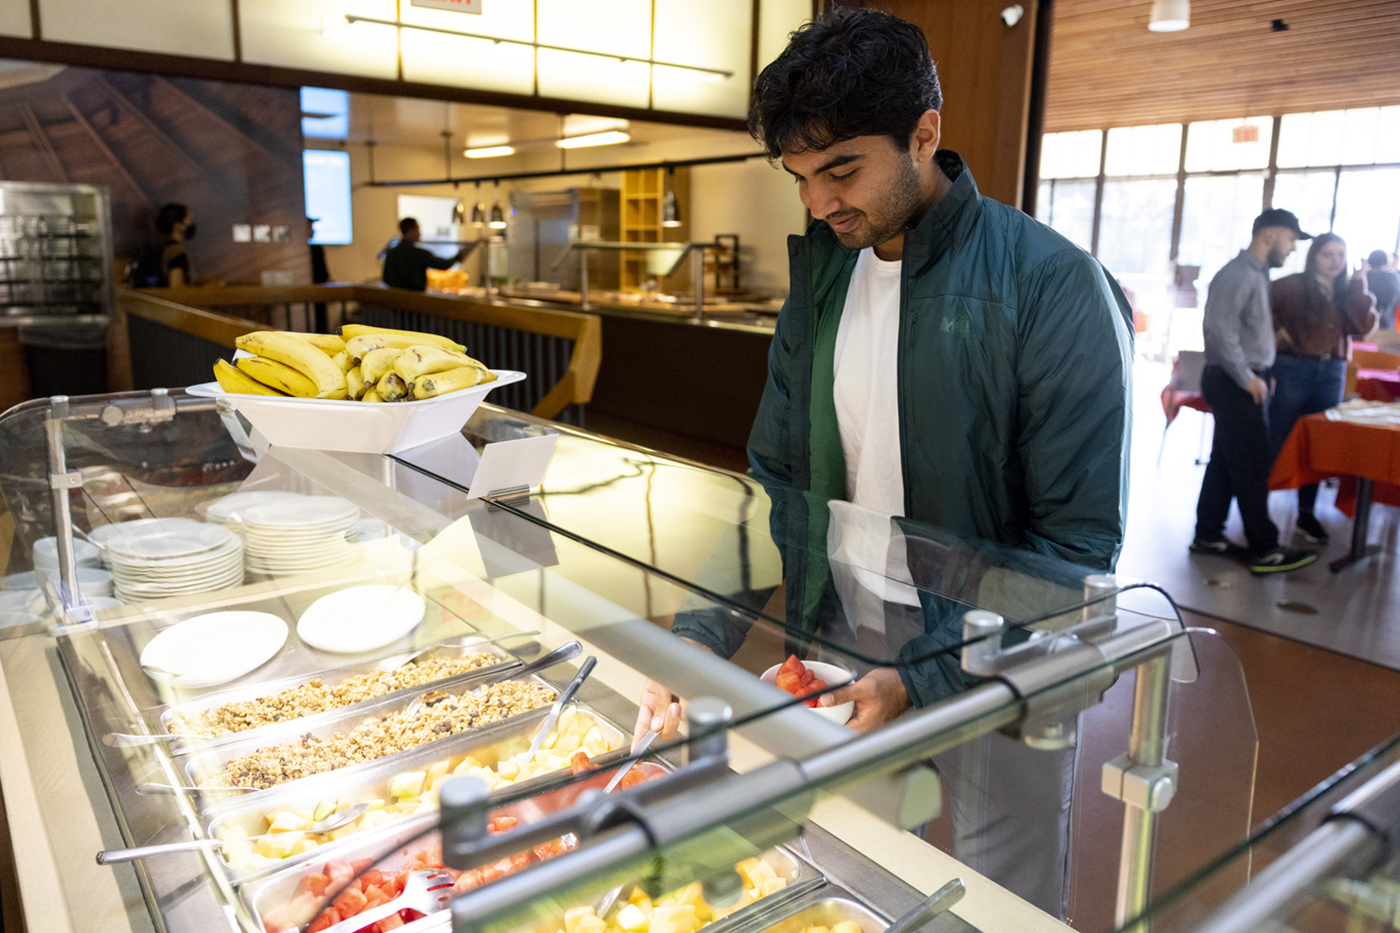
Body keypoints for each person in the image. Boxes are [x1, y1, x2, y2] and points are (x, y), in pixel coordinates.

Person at [637, 8, 1135, 917]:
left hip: (1000, 655)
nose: (819, 203)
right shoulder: (826, 274)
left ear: (925, 134)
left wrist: (924, 676)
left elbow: (1073, 548)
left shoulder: (1052, 285)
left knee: (999, 894)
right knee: (846, 872)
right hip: (846, 633)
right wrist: (694, 641)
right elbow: (775, 487)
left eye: (841, 169)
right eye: (799, 177)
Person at [1191, 208, 1318, 574]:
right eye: (1291, 239)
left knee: (1226, 462)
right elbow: (1219, 330)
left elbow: (1243, 331)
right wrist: (1247, 376)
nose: (1293, 248)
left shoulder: (1257, 274)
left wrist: (1262, 367)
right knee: (1251, 462)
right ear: (1269, 235)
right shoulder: (1238, 274)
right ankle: (1265, 548)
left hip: (1244, 376)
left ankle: (1208, 535)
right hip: (1233, 380)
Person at [1268, 234, 1378, 544]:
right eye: (1327, 254)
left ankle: (1306, 512)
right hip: (1294, 367)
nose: (1334, 260)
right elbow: (1262, 313)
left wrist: (1359, 284)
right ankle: (1258, 506)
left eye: (1340, 254)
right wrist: (1279, 334)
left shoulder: (1347, 291)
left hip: (1332, 370)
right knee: (1279, 435)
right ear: (1314, 255)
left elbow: (1363, 327)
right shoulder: (1289, 285)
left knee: (1318, 441)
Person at [381, 217, 466, 291]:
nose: (420, 233)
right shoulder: (418, 254)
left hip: (395, 302)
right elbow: (442, 264)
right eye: (418, 229)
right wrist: (458, 257)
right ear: (411, 230)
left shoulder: (392, 253)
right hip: (415, 301)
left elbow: (386, 278)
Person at [129, 203, 196, 288]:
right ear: (177, 225)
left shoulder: (166, 247)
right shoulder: (176, 251)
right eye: (189, 219)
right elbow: (176, 285)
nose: (191, 223)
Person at [1366, 248, 1399, 330]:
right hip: (1386, 326)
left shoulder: (1362, 278)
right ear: (1385, 261)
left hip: (1362, 325)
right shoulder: (1392, 278)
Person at [308, 217, 332, 332]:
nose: (313, 231)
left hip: (318, 296)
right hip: (315, 296)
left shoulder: (317, 249)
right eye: (310, 227)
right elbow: (325, 275)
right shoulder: (315, 250)